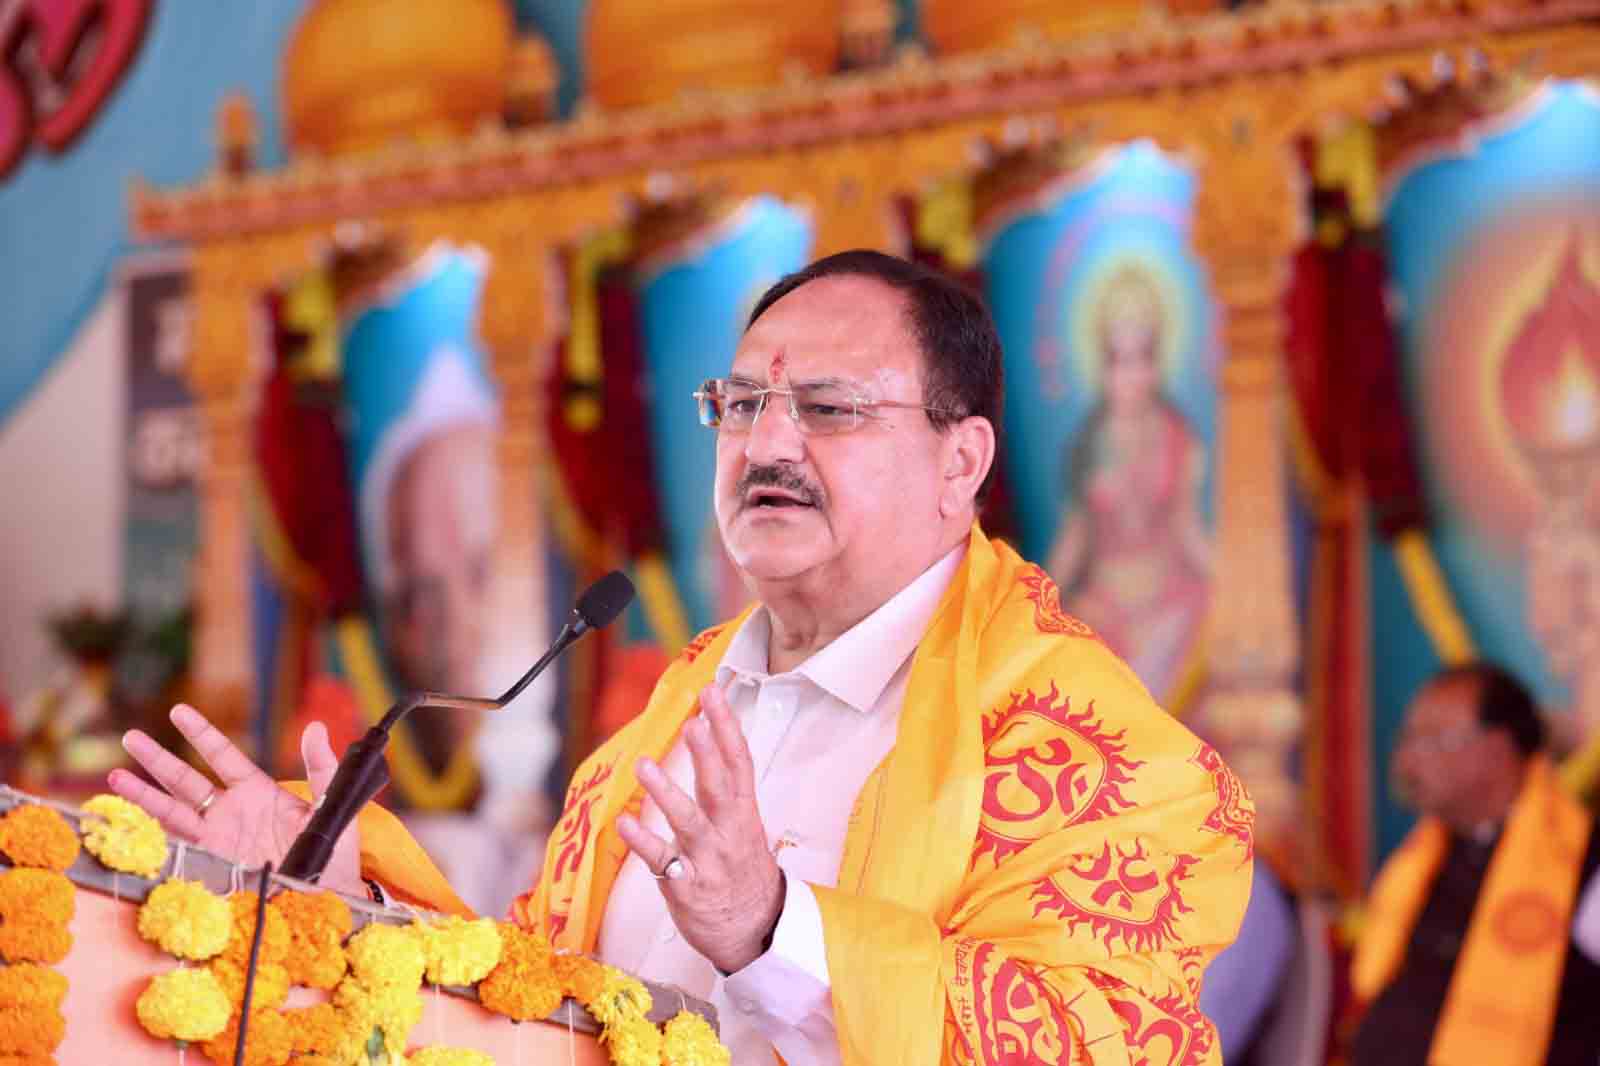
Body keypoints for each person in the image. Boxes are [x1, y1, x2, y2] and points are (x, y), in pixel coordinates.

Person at [111, 250, 1254, 1065]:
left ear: (961, 461)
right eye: (741, 402)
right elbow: (533, 1003)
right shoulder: (663, 726)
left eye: (828, 407)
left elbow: (1097, 1040)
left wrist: (773, 929)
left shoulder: (1101, 758)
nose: (765, 442)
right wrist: (337, 888)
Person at [1350, 663, 1600, 1066]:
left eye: (1433, 740)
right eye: (1408, 739)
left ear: (1498, 750)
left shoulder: (1578, 862)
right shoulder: (1425, 857)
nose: (1408, 761)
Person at [1046, 263, 1210, 700]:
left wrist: (1232, 587)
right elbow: (1075, 539)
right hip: (1106, 608)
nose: (1132, 376)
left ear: (1158, 365)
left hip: (1170, 606)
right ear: (1103, 368)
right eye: (1119, 361)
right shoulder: (1088, 444)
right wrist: (1037, 607)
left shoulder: (1179, 439)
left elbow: (1186, 527)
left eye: (1142, 359)